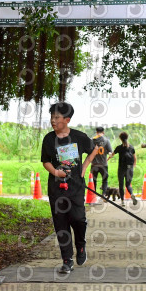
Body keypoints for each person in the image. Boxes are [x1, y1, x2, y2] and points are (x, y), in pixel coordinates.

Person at [41, 102, 98, 274]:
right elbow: (46, 161)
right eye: (52, 117)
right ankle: (67, 260)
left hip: (76, 187)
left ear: (67, 119)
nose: (53, 121)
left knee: (78, 219)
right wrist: (56, 173)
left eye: (57, 117)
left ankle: (80, 245)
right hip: (56, 189)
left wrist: (84, 166)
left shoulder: (79, 137)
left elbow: (94, 150)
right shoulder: (49, 139)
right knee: (61, 224)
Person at [107, 132, 138, 206]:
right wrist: (134, 165)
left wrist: (107, 158)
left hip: (121, 169)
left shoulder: (119, 147)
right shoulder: (131, 147)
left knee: (121, 185)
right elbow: (134, 157)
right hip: (130, 168)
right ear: (127, 138)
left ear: (120, 139)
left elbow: (112, 155)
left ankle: (122, 201)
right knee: (128, 185)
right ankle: (132, 194)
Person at [90, 126, 112, 196]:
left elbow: (88, 152)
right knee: (105, 180)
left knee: (93, 180)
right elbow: (110, 153)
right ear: (103, 132)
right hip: (103, 164)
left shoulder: (92, 140)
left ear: (96, 132)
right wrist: (108, 158)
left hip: (94, 164)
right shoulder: (106, 140)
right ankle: (103, 195)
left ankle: (93, 195)